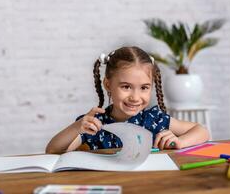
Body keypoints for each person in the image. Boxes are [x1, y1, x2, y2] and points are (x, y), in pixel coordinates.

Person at [46, 46, 209, 154]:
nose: (135, 97)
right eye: (126, 87)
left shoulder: (154, 119)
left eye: (144, 88)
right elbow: (52, 151)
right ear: (108, 84)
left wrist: (180, 141)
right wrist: (76, 127)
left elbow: (202, 131)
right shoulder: (94, 124)